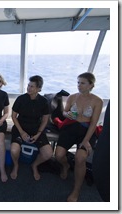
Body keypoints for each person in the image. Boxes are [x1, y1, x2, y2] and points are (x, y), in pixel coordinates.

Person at [54, 72, 103, 202]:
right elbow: (64, 111)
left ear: (91, 85)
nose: (79, 85)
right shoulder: (72, 97)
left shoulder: (97, 101)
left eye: (82, 83)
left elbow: (93, 123)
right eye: (78, 82)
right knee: (58, 155)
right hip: (70, 127)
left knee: (80, 157)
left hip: (87, 129)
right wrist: (67, 114)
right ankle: (65, 166)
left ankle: (76, 190)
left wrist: (86, 141)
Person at [10, 75, 53, 181]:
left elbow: (44, 120)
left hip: (36, 129)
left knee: (48, 153)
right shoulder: (21, 99)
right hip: (20, 127)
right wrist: (22, 132)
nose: (29, 88)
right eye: (28, 85)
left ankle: (35, 165)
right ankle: (16, 165)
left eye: (32, 86)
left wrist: (38, 134)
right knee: (14, 150)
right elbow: (14, 117)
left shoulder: (43, 101)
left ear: (39, 89)